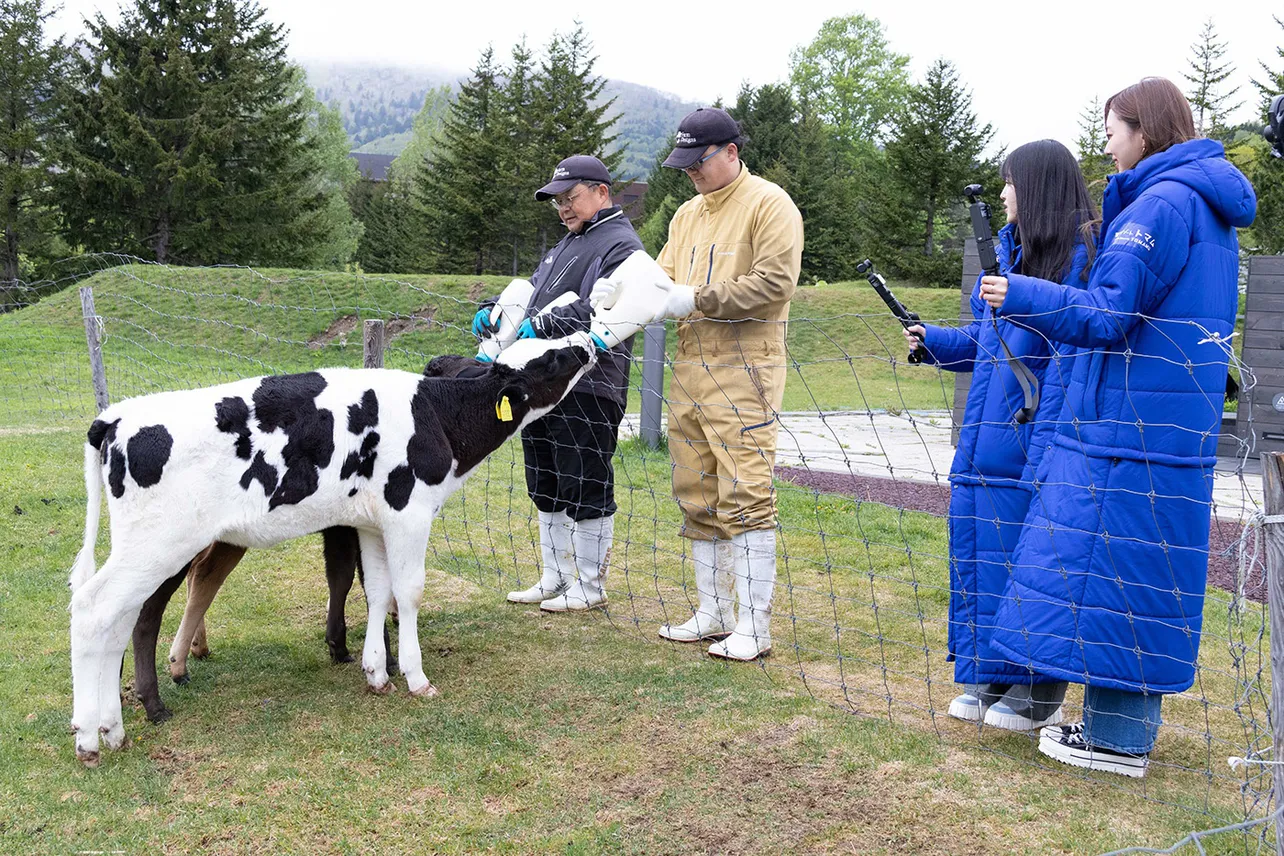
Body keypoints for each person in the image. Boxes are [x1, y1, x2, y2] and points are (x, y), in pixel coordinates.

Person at [979, 78, 1256, 777]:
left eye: (1113, 128)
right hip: (1168, 431)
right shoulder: (1205, 207)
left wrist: (1023, 295)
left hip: (1127, 429)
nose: (1105, 142)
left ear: (1146, 130)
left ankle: (1115, 743)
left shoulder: (1160, 205)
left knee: (1110, 575)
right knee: (1135, 580)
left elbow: (1107, 315)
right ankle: (1118, 732)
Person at [904, 140, 1096, 732]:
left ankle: (1039, 687)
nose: (1004, 193)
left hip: (1031, 445)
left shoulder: (1079, 263)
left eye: (1011, 183)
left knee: (1034, 564)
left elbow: (1069, 363)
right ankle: (992, 670)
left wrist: (1045, 455)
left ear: (1035, 189)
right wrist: (932, 340)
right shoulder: (1006, 259)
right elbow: (988, 347)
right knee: (985, 558)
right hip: (986, 444)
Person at [646, 107, 804, 661]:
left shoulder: (770, 204)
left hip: (745, 368)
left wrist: (698, 298)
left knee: (746, 490)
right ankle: (711, 611)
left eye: (701, 161)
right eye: (685, 164)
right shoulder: (687, 214)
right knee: (697, 490)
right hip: (690, 367)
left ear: (732, 152)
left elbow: (776, 282)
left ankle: (753, 625)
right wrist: (631, 295)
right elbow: (662, 277)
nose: (692, 173)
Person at [474, 154, 643, 612]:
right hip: (542, 382)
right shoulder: (565, 244)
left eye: (572, 198)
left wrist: (542, 327)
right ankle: (555, 576)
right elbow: (533, 295)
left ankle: (590, 585)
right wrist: (498, 312)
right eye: (558, 202)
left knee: (584, 479)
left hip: (588, 383)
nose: (564, 208)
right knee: (544, 480)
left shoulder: (621, 245)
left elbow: (604, 308)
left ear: (601, 192)